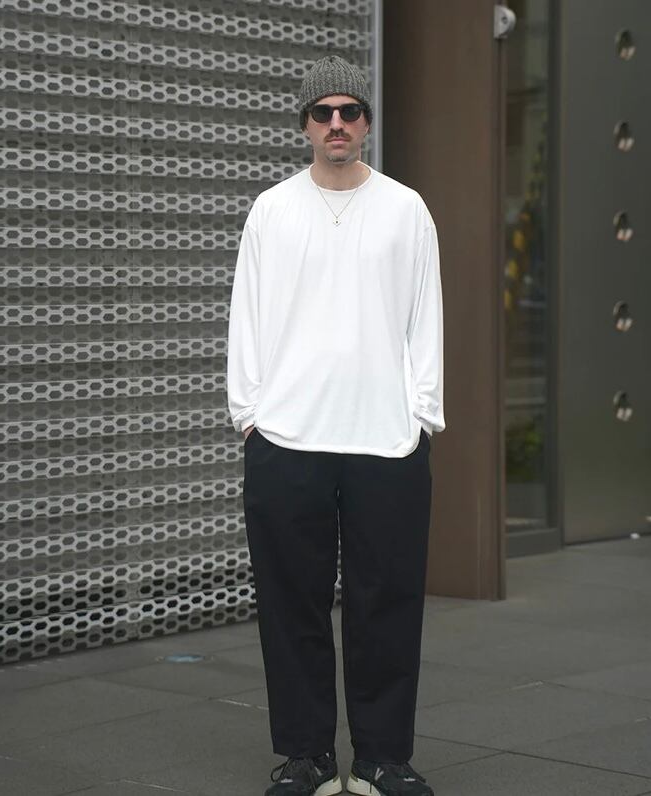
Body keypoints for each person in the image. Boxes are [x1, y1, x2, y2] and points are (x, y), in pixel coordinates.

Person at [227, 54, 445, 796]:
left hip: (387, 438)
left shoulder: (406, 209)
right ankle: (308, 758)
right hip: (287, 439)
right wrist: (250, 416)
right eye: (323, 113)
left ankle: (381, 760)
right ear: (305, 125)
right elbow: (247, 316)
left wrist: (422, 415)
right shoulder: (272, 210)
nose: (337, 124)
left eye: (350, 111)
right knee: (292, 607)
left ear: (367, 122)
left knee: (389, 605)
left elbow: (426, 316)